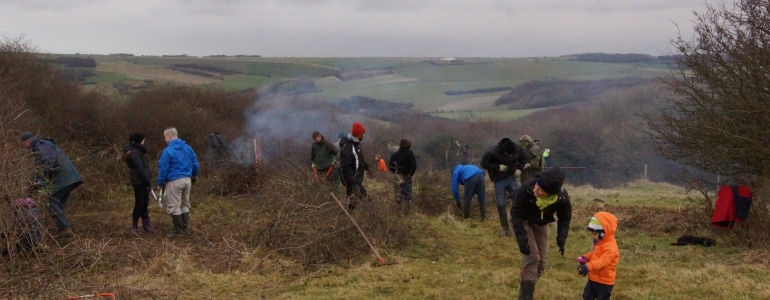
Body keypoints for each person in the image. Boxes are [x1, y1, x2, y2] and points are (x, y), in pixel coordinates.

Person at [510, 168, 572, 300]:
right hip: (522, 221)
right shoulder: (526, 190)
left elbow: (565, 218)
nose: (536, 190)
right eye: (536, 185)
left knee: (542, 263)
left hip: (541, 223)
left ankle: (525, 290)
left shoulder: (561, 198)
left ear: (550, 194)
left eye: (540, 190)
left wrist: (561, 238)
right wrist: (522, 240)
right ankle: (526, 297)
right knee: (533, 258)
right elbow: (515, 214)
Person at [20, 132, 82, 239]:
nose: (24, 148)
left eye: (23, 145)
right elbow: (42, 168)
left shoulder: (42, 145)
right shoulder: (41, 147)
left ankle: (65, 230)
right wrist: (34, 181)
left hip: (64, 179)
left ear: (27, 141)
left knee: (51, 202)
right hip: (69, 178)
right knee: (58, 204)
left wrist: (40, 182)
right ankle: (64, 229)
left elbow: (50, 165)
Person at [157, 127, 199, 239]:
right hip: (187, 180)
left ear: (169, 137)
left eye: (165, 137)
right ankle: (185, 229)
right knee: (185, 204)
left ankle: (178, 231)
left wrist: (160, 182)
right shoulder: (188, 148)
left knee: (174, 206)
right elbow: (195, 164)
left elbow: (163, 169)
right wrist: (194, 176)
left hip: (174, 181)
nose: (165, 139)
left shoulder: (167, 151)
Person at [480, 138, 525, 236]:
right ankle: (505, 228)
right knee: (500, 204)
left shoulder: (517, 148)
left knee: (519, 201)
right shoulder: (492, 152)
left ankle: (521, 226)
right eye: (509, 155)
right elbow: (483, 163)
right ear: (504, 152)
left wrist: (520, 169)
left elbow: (524, 158)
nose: (511, 156)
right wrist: (497, 167)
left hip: (512, 178)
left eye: (513, 155)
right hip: (499, 180)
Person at [578, 212, 619, 300]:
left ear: (604, 232)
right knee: (587, 296)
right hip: (593, 278)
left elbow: (603, 261)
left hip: (605, 281)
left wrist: (588, 266)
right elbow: (595, 254)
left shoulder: (610, 246)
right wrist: (586, 257)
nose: (593, 237)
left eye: (595, 234)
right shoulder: (599, 242)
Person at [122, 133, 155, 234]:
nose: (144, 142)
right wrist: (147, 181)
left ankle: (147, 226)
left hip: (143, 180)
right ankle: (134, 227)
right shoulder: (135, 153)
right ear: (140, 140)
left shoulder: (139, 151)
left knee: (145, 203)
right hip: (139, 181)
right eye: (144, 140)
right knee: (139, 203)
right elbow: (140, 169)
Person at [339, 122, 370, 209]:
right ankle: (376, 221)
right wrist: (354, 184)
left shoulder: (356, 144)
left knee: (352, 202)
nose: (363, 136)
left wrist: (367, 166)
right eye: (362, 134)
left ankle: (347, 218)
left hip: (355, 178)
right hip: (353, 179)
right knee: (368, 200)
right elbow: (345, 167)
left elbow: (358, 159)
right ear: (359, 134)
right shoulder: (348, 147)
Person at [388, 139, 417, 214]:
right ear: (408, 145)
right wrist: (410, 174)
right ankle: (406, 213)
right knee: (407, 196)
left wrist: (395, 173)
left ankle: (398, 212)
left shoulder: (394, 155)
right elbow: (413, 165)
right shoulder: (410, 154)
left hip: (397, 177)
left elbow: (390, 166)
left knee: (398, 196)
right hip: (406, 178)